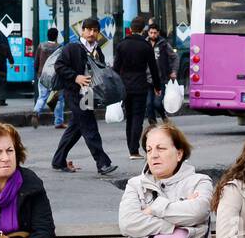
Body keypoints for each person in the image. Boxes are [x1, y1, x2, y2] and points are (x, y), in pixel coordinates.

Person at [51, 17, 118, 176]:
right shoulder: (72, 47)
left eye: (95, 30)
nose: (91, 33)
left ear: (98, 33)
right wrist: (76, 77)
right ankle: (102, 163)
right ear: (83, 30)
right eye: (88, 30)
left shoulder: (97, 49)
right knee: (89, 127)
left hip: (88, 94)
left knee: (76, 128)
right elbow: (59, 66)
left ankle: (58, 160)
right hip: (74, 93)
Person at [112, 16, 165, 161]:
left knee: (129, 117)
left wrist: (115, 87)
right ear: (143, 30)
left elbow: (116, 68)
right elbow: (153, 68)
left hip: (125, 86)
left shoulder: (122, 44)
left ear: (130, 29)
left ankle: (131, 147)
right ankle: (134, 150)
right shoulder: (146, 46)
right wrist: (157, 86)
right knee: (137, 118)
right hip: (140, 85)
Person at [32, 27, 65, 129]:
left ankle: (36, 112)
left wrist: (38, 73)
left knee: (42, 97)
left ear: (47, 35)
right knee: (59, 99)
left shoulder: (41, 46)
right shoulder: (60, 47)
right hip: (55, 77)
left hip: (42, 76)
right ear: (56, 36)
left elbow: (36, 62)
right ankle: (58, 122)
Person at [146, 24, 176, 124]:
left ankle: (163, 116)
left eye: (155, 33)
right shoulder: (144, 43)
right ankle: (153, 124)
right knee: (149, 104)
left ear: (158, 33)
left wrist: (173, 71)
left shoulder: (163, 44)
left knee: (157, 103)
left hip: (160, 79)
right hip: (147, 79)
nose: (153, 35)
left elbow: (174, 57)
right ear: (148, 33)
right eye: (151, 33)